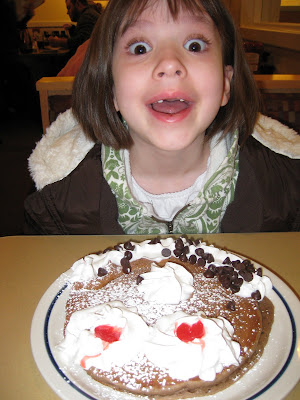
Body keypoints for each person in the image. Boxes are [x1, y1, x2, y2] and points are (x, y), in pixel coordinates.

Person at [24, 0, 300, 235]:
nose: (170, 64)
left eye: (194, 45)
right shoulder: (58, 202)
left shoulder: (286, 191)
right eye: (140, 48)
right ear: (111, 89)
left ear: (226, 84)